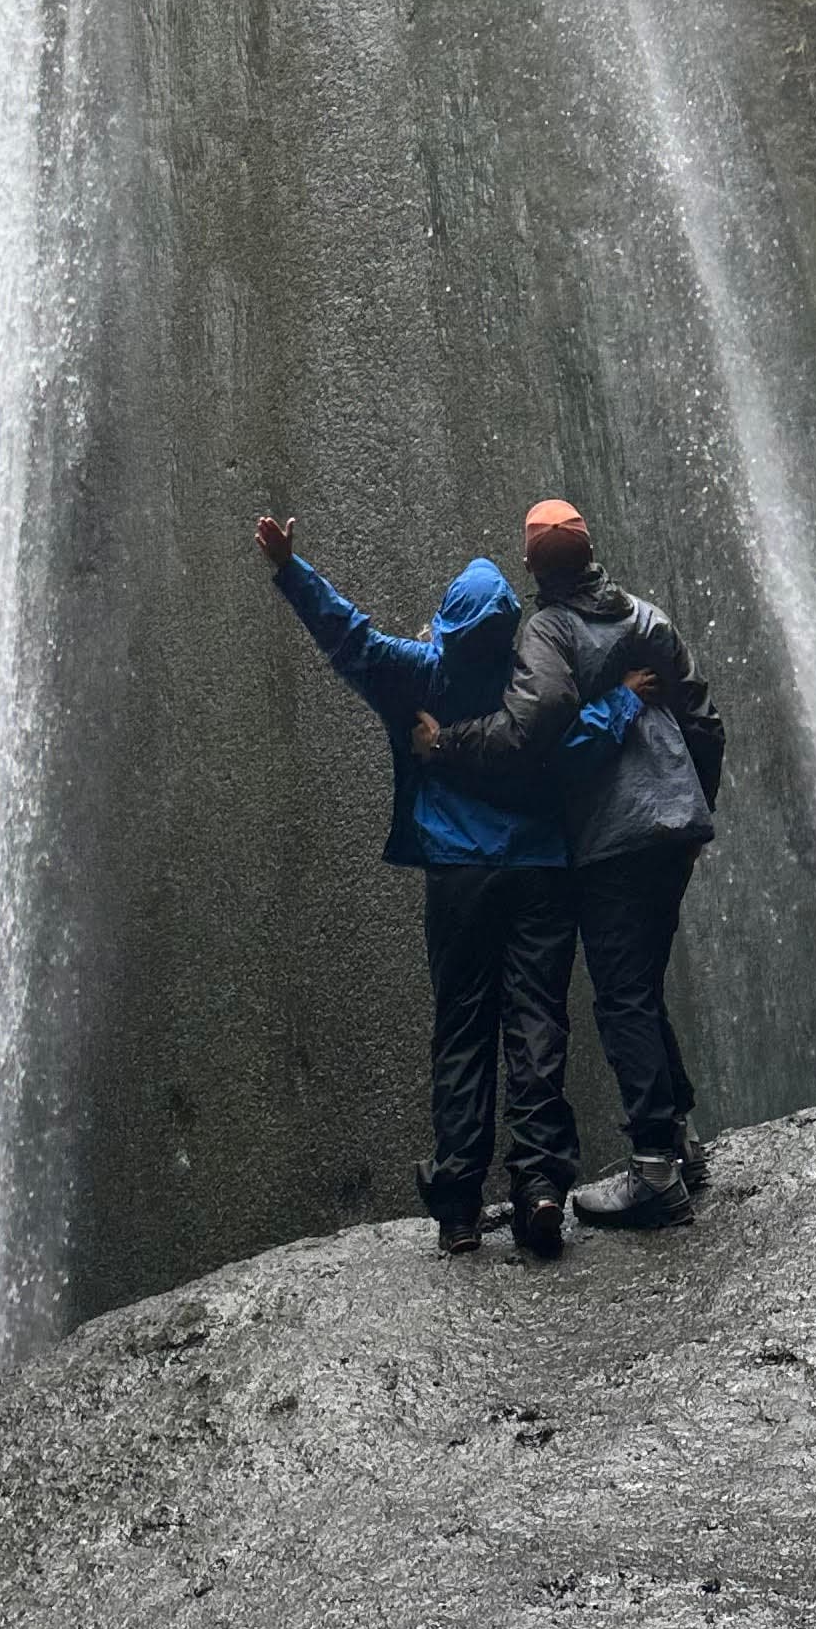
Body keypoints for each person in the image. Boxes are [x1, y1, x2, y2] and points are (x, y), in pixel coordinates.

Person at [253, 514, 605, 1261]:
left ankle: (458, 1207)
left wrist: (290, 567)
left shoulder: (415, 672)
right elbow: (585, 725)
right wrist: (634, 697)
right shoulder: (532, 675)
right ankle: (542, 1185)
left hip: (460, 876)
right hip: (543, 871)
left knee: (463, 1028)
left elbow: (347, 636)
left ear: (448, 615)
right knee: (538, 1021)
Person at [414, 498, 723, 1233]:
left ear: (532, 567)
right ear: (591, 552)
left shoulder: (547, 633)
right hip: (674, 825)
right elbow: (705, 721)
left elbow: (537, 737)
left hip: (613, 838)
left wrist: (449, 744)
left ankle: (655, 1171)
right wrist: (688, 807)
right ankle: (680, 1144)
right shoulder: (648, 618)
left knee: (619, 996)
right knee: (640, 985)